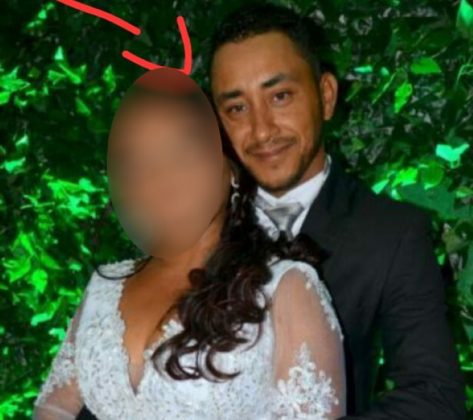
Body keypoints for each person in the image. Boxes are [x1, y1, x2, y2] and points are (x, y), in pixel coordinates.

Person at [33, 67, 346, 419]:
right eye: (138, 163)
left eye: (180, 155)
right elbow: (54, 407)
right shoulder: (104, 288)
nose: (158, 177)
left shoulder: (285, 288)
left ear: (230, 169)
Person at [207, 3, 466, 419]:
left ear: (326, 96)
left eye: (280, 96)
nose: (262, 130)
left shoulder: (393, 233)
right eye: (237, 108)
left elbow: (434, 398)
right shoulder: (195, 223)